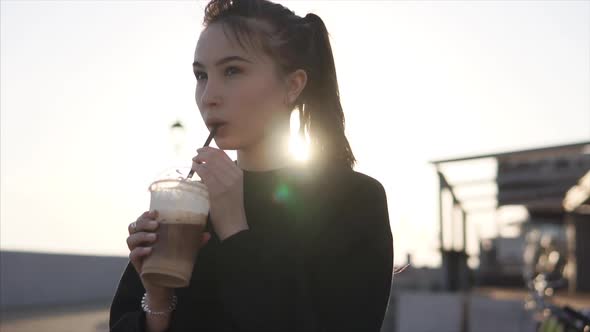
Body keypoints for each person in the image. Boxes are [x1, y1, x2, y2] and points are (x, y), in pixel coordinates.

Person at [109, 0, 394, 331]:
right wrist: (157, 301)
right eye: (201, 75)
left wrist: (234, 226)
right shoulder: (188, 206)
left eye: (232, 71)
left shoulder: (353, 199)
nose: (208, 95)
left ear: (292, 85)